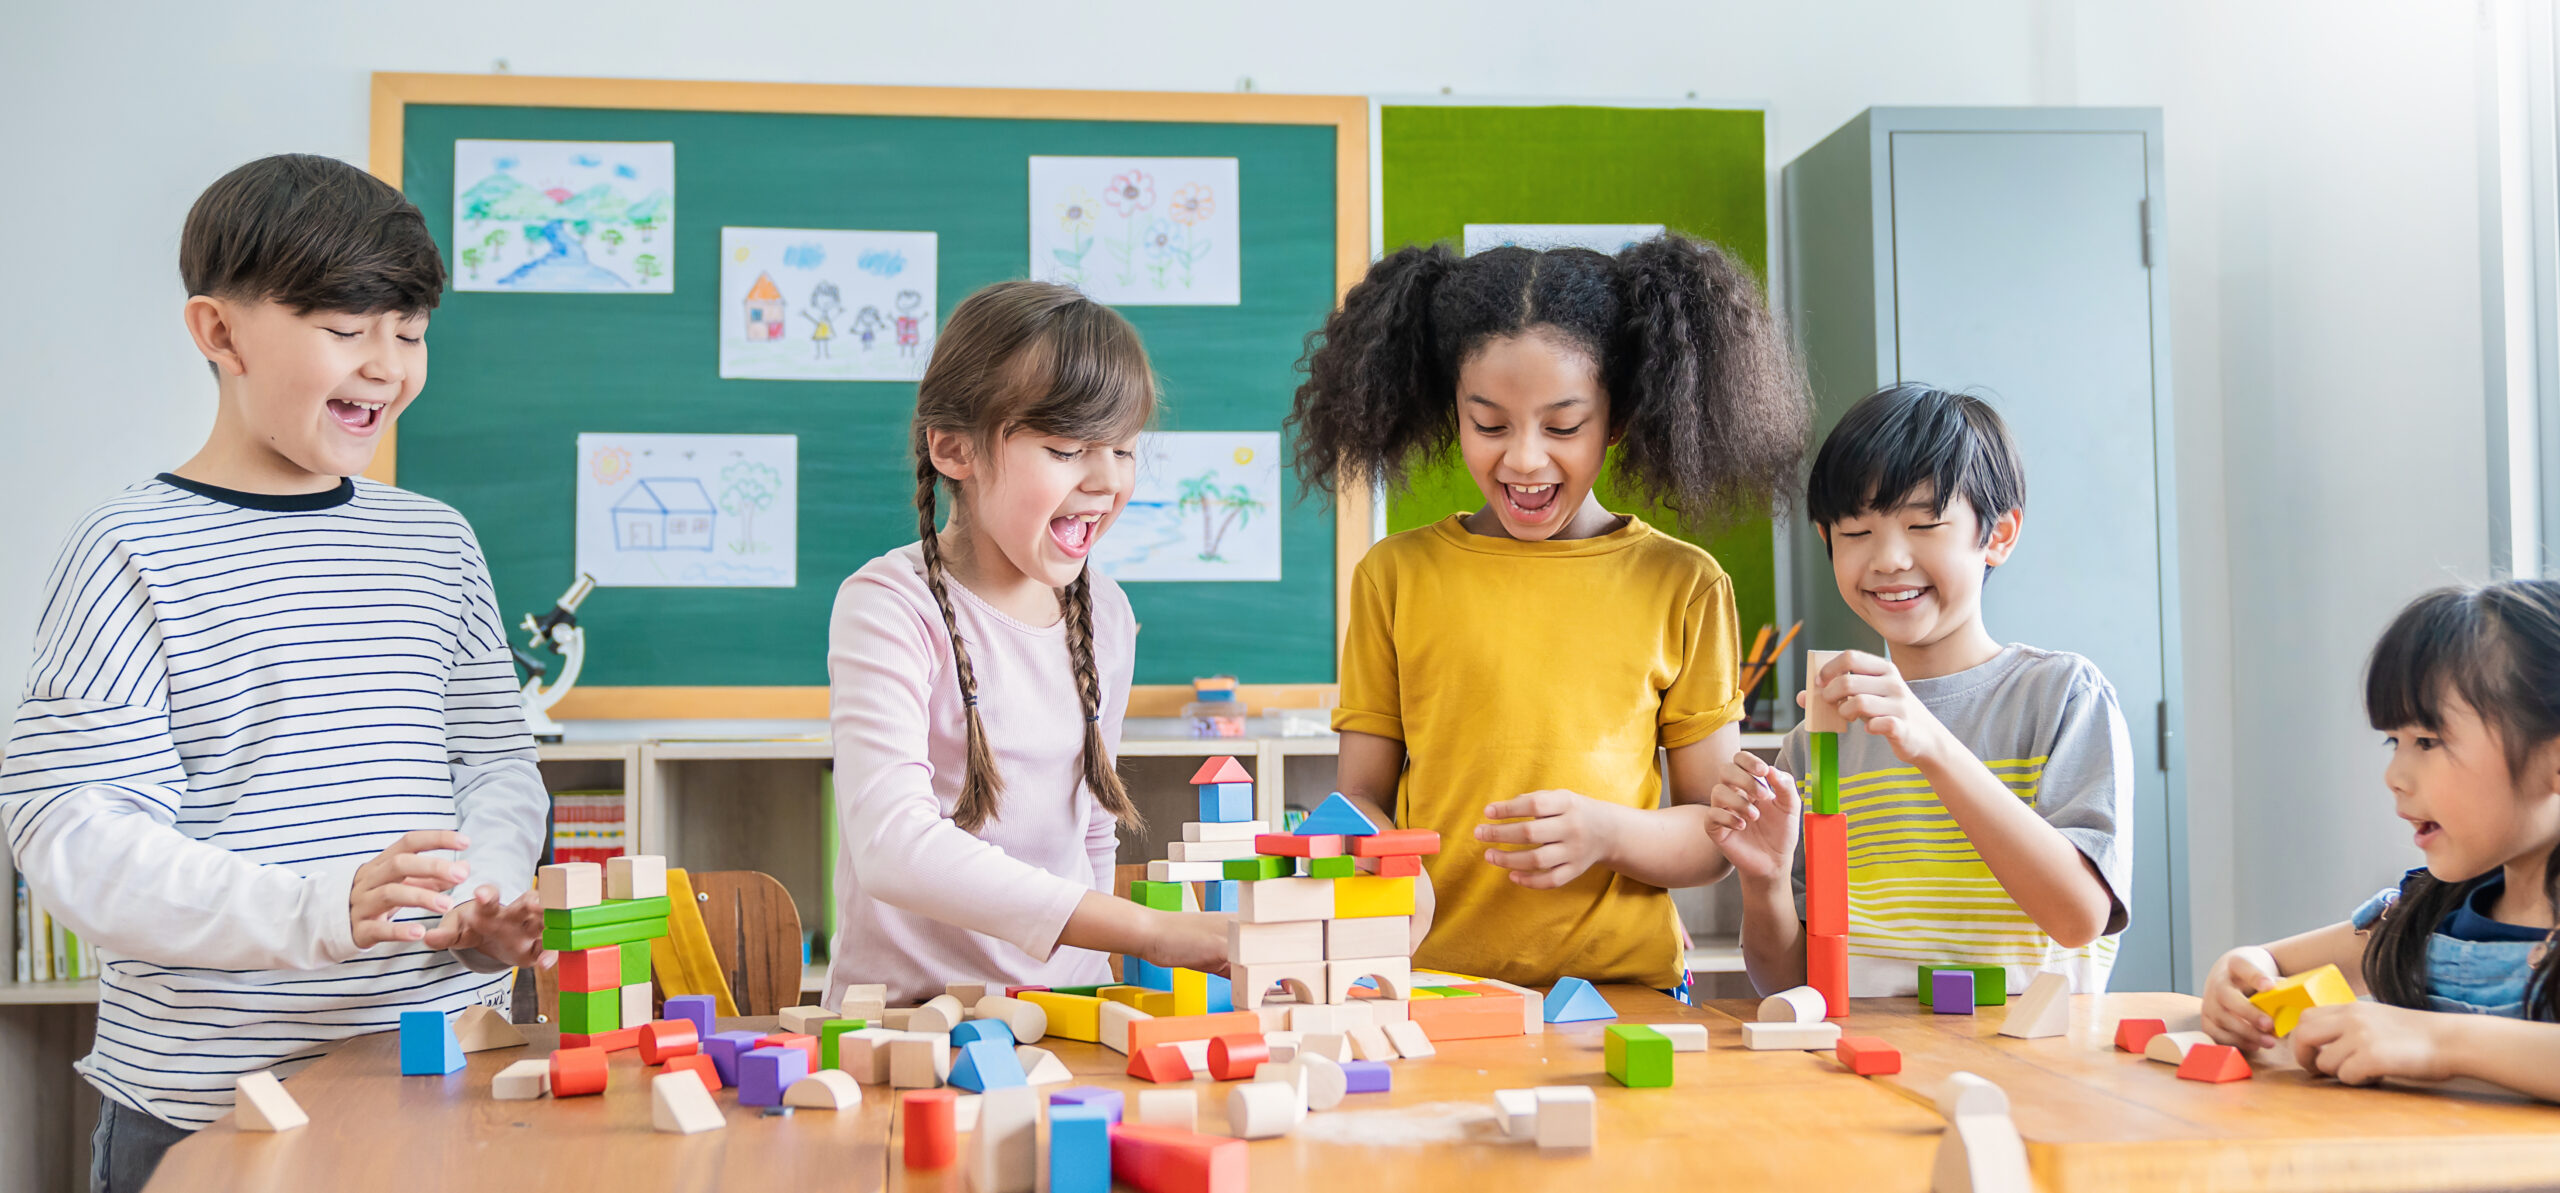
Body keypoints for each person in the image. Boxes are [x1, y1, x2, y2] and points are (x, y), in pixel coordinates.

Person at [0, 154, 550, 1191]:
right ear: (219, 333)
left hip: (438, 1086)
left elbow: (492, 763)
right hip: (214, 1113)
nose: (387, 365)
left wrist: (487, 891)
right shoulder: (131, 548)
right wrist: (320, 905)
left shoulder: (435, 541)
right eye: (346, 330)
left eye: (411, 331)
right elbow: (72, 831)